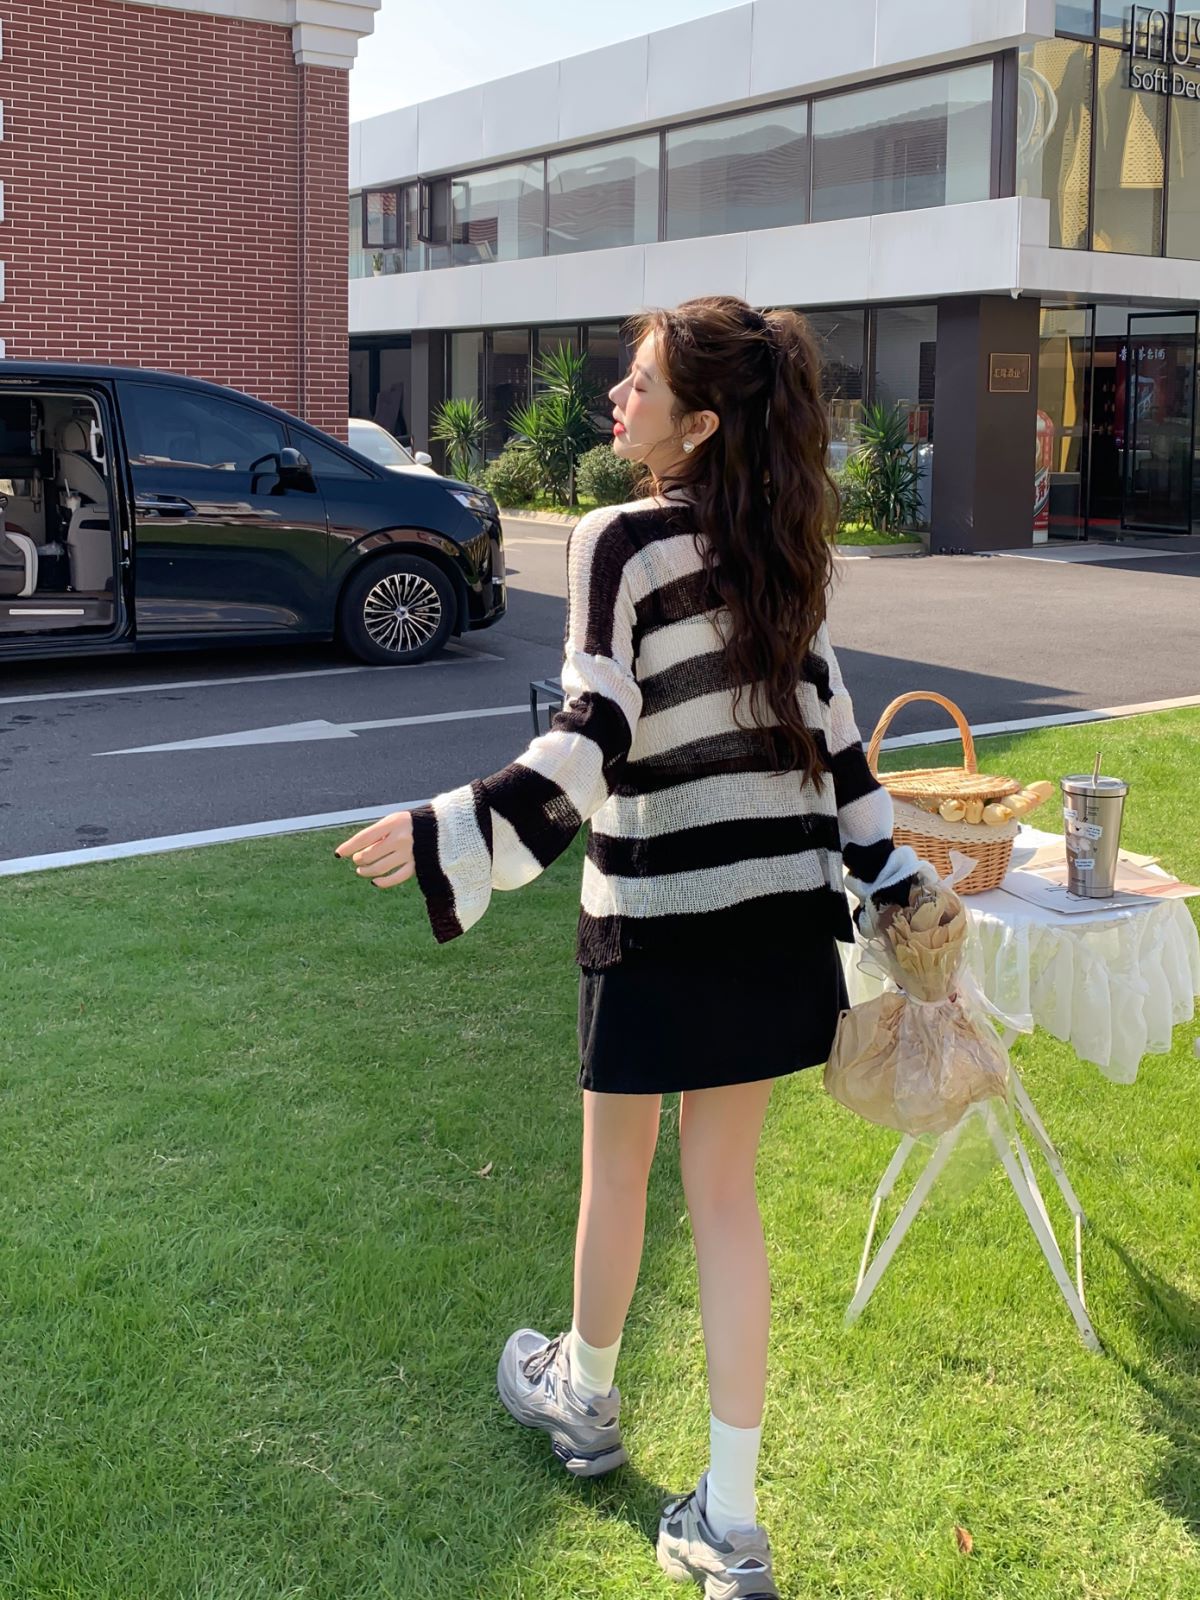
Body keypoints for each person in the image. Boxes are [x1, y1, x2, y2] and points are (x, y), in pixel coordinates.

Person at [335, 295, 927, 1600]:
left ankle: (586, 1396)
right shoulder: (784, 552)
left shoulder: (618, 540)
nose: (617, 397)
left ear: (699, 424)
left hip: (659, 917)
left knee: (619, 1172)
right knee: (725, 1203)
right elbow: (841, 750)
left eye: (641, 383)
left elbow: (594, 735)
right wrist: (896, 880)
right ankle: (731, 1520)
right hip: (780, 926)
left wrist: (453, 829)